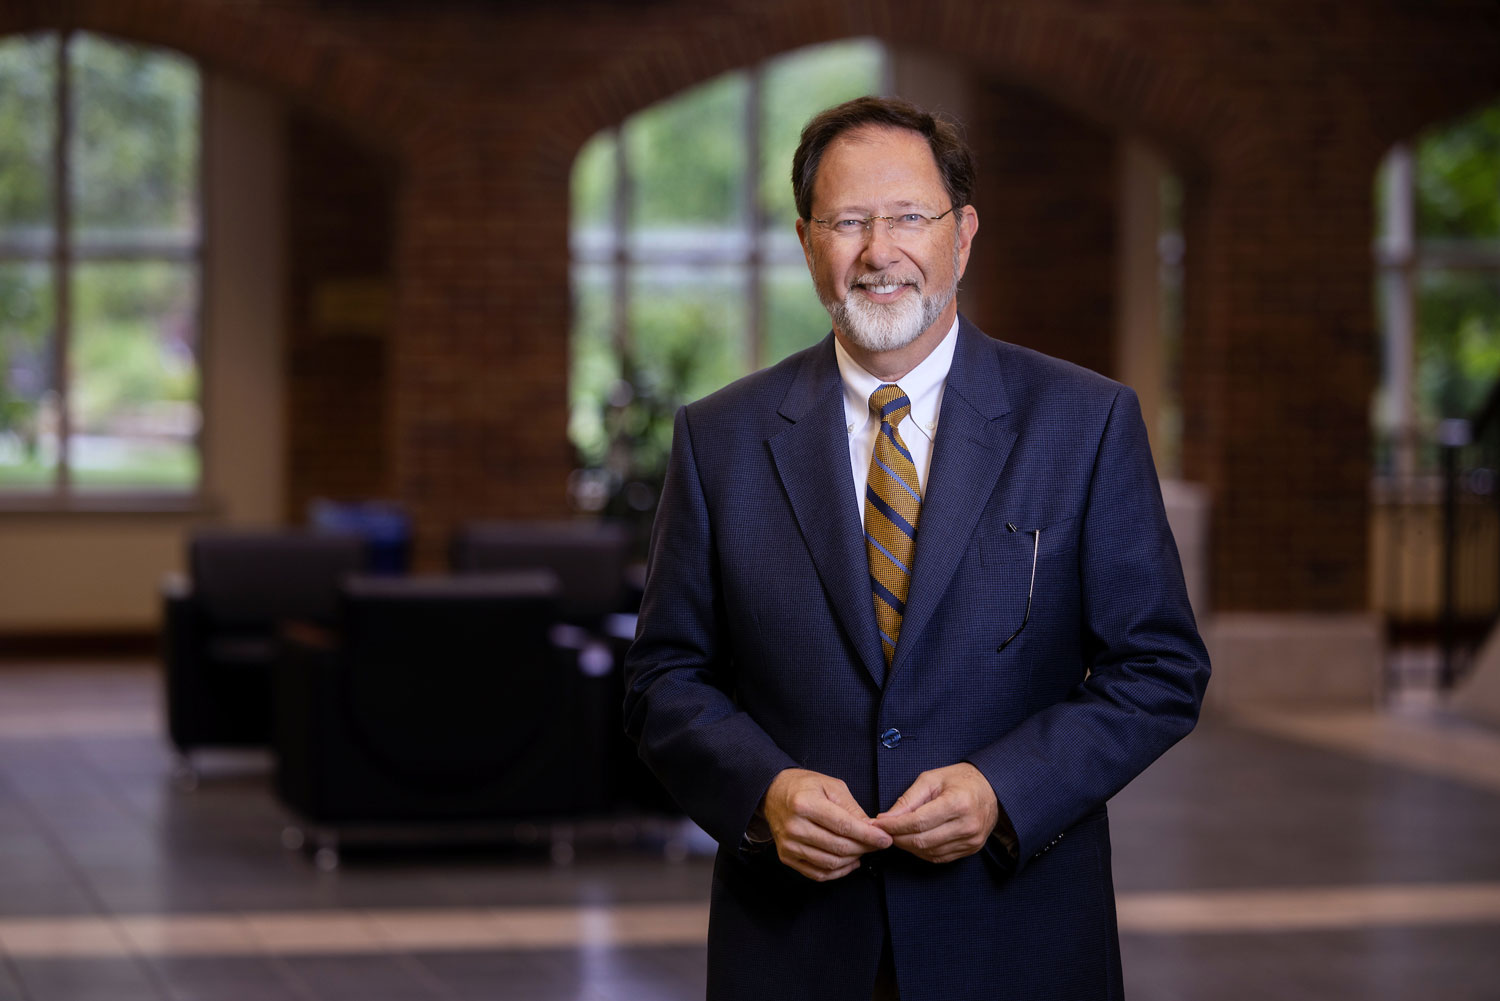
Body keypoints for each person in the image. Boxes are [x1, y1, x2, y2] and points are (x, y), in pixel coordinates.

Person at [623, 96, 1210, 1001]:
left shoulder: (1085, 423)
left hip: (1017, 932)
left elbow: (1161, 667)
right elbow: (665, 676)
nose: (878, 250)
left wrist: (1004, 788)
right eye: (848, 221)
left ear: (962, 235)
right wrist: (762, 792)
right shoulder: (721, 439)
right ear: (806, 240)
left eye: (908, 217)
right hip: (794, 943)